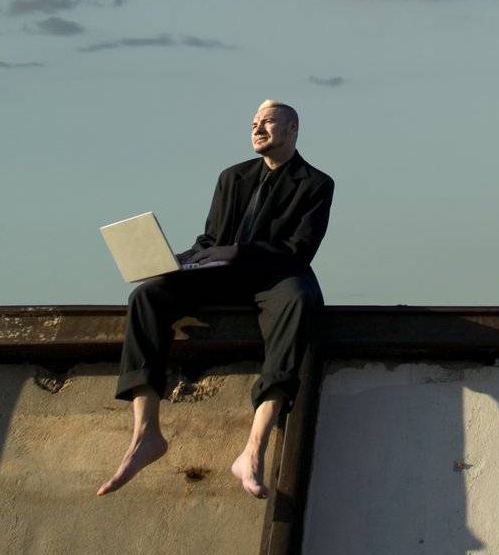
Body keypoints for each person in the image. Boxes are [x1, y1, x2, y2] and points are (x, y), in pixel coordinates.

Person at [96, 98, 334, 499]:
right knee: (147, 296)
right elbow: (212, 239)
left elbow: (299, 249)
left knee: (298, 299)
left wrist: (236, 252)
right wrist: (183, 258)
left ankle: (253, 450)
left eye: (268, 122)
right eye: (254, 122)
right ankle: (145, 433)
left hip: (276, 276)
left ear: (292, 129)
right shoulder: (232, 177)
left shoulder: (316, 183)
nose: (257, 129)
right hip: (220, 274)